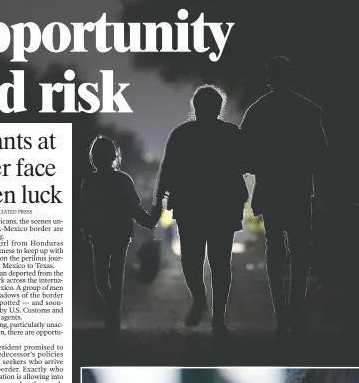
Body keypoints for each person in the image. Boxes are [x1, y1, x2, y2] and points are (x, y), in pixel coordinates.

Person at [240, 56, 329, 335]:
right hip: (299, 191)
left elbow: (245, 157)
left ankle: (282, 311)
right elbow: (321, 156)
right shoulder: (308, 110)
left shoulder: (257, 111)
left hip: (272, 189)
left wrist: (264, 169)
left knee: (275, 249)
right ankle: (295, 308)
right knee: (300, 249)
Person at [155, 85, 248, 336]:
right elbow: (246, 163)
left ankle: (205, 304)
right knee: (218, 262)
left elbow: (167, 171)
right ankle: (216, 314)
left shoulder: (183, 134)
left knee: (194, 260)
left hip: (192, 205)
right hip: (221, 206)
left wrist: (158, 201)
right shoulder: (230, 133)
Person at [80, 135, 162, 333]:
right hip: (107, 233)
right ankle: (113, 309)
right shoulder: (94, 180)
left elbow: (85, 208)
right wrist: (150, 219)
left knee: (109, 275)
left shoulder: (116, 179)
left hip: (112, 234)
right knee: (107, 277)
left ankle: (113, 313)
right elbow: (84, 207)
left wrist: (149, 219)